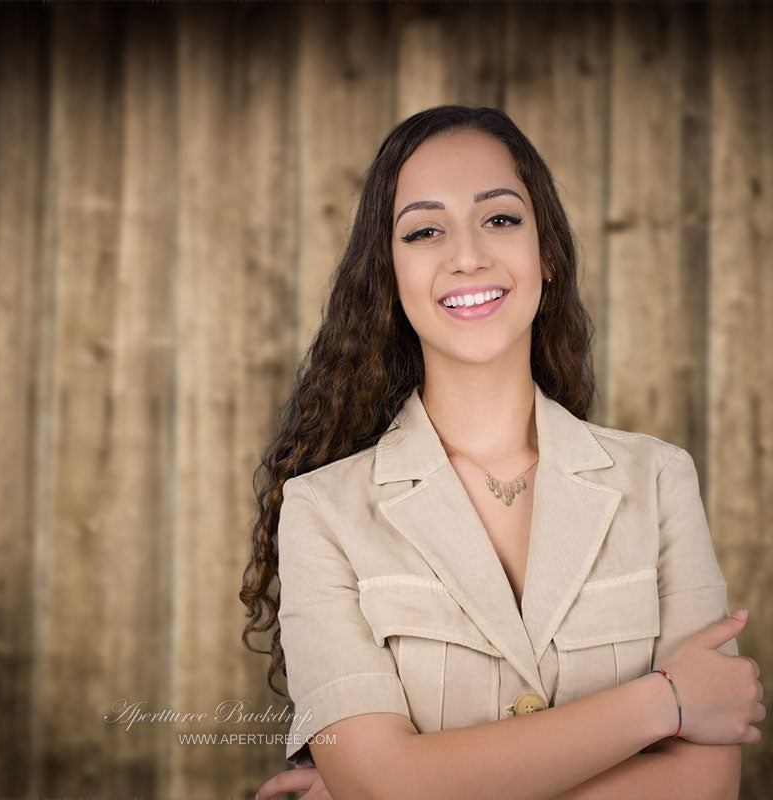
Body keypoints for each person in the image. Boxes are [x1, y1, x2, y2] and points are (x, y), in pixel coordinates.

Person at [241, 105, 765, 800]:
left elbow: (706, 785)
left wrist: (414, 784)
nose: (467, 255)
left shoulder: (660, 481)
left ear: (545, 252)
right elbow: (382, 785)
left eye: (500, 219)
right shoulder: (321, 512)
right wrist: (663, 702)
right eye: (425, 231)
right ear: (389, 278)